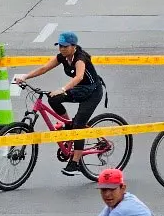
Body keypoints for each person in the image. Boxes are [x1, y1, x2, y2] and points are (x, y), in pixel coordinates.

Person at [14, 32, 105, 176]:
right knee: (53, 98)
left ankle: (75, 162)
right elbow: (44, 68)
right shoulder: (62, 57)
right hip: (80, 89)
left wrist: (62, 89)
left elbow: (79, 76)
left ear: (73, 46)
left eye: (65, 46)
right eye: (60, 46)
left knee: (79, 126)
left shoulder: (80, 58)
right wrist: (25, 76)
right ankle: (69, 124)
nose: (61, 49)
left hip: (92, 92)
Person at [91, 169, 156, 216]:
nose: (107, 194)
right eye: (103, 189)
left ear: (123, 188)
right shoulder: (123, 198)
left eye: (112, 189)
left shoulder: (122, 210)